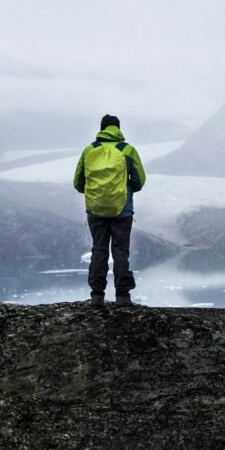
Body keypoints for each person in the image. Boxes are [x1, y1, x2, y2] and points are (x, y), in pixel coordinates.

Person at [73, 114, 146, 306]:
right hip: (122, 210)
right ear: (118, 128)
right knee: (120, 251)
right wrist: (125, 189)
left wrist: (94, 195)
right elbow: (139, 181)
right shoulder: (127, 150)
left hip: (95, 210)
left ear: (102, 128)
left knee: (99, 250)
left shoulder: (89, 150)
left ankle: (97, 296)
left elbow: (78, 182)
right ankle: (123, 296)